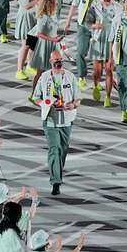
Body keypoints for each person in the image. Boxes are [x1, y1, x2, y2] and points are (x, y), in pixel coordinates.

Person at [32, 49, 80, 195]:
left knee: (63, 150)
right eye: (56, 61)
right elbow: (35, 98)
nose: (58, 63)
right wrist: (45, 104)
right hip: (50, 120)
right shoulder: (45, 77)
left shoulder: (70, 77)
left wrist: (73, 105)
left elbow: (77, 99)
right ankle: (56, 181)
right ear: (51, 62)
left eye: (60, 60)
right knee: (54, 149)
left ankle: (58, 172)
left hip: (66, 119)